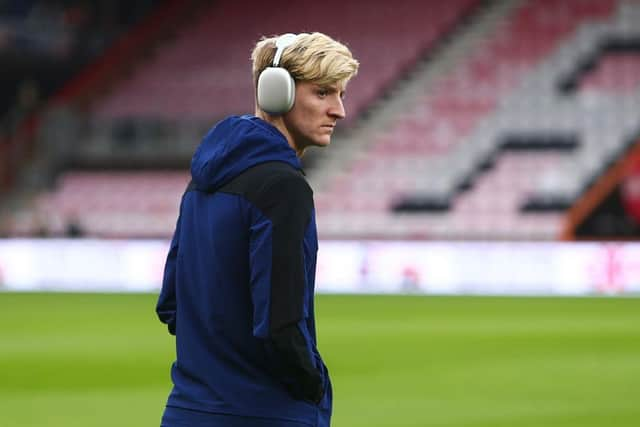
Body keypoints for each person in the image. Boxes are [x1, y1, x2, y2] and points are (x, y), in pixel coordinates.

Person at [156, 32, 358, 427]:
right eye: (323, 93)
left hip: (186, 411)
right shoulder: (284, 187)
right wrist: (314, 385)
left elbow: (170, 304)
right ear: (275, 93)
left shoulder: (201, 179)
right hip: (265, 413)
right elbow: (281, 325)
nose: (339, 110)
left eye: (341, 95)